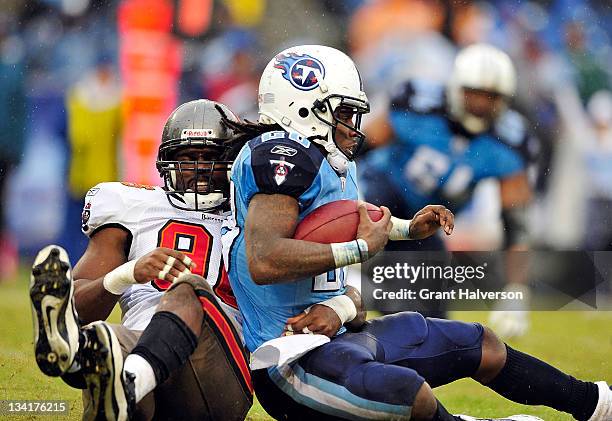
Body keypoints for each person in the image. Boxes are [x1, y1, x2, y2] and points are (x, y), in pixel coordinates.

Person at [222, 44, 612, 421]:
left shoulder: (334, 164)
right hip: (293, 358)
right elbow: (265, 259)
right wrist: (360, 249)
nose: (353, 125)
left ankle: (597, 403)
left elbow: (350, 273)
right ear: (304, 106)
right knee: (410, 392)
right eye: (342, 111)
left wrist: (408, 230)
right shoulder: (282, 157)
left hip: (341, 333)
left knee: (482, 343)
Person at [30, 100, 255, 421]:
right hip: (136, 346)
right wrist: (126, 274)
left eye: (212, 158)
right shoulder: (133, 207)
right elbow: (76, 311)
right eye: (189, 158)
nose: (200, 169)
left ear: (233, 163)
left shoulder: (251, 215)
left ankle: (86, 365)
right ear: (167, 161)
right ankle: (98, 366)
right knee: (103, 346)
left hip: (213, 371)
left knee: (189, 288)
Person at [360, 43, 539, 333]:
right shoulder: (417, 103)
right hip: (378, 197)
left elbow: (516, 223)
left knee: (428, 322)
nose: (480, 103)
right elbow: (357, 149)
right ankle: (354, 281)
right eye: (473, 92)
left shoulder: (510, 143)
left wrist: (515, 289)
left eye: (490, 96)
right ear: (456, 88)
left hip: (427, 223)